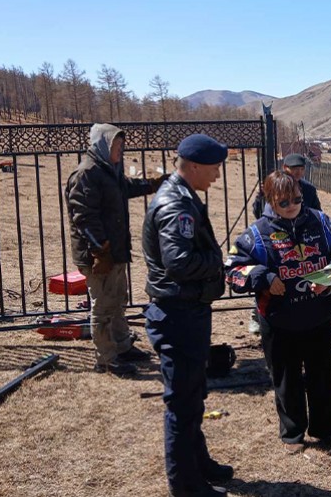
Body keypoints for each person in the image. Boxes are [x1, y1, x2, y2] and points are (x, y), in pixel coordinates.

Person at [225, 170, 331, 453]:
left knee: (323, 377)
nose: (292, 206)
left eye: (297, 199)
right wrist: (264, 278)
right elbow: (232, 270)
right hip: (278, 321)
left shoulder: (322, 222)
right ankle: (292, 433)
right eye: (283, 202)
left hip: (318, 316)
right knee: (286, 378)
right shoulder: (256, 234)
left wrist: (330, 275)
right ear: (270, 201)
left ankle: (328, 429)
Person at [141, 134, 233, 497]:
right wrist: (217, 262)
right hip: (177, 314)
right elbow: (178, 263)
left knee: (193, 395)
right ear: (193, 166)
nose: (217, 176)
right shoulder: (175, 205)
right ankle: (186, 485)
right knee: (182, 402)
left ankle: (199, 463)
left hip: (186, 311)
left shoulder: (183, 196)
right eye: (214, 168)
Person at [65, 123, 166, 376]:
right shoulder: (87, 173)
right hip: (99, 256)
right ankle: (107, 359)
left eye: (122, 146)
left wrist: (153, 184)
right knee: (103, 306)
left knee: (118, 299)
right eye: (117, 146)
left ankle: (122, 347)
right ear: (103, 145)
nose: (121, 150)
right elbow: (83, 217)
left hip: (115, 251)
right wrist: (100, 252)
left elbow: (126, 188)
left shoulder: (109, 170)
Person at [248, 153, 322, 335]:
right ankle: (256, 316)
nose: (298, 173)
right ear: (285, 168)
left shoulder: (308, 189)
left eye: (301, 169)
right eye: (294, 169)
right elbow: (258, 210)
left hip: (304, 240)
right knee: (272, 276)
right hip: (275, 239)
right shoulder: (272, 186)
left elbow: (317, 213)